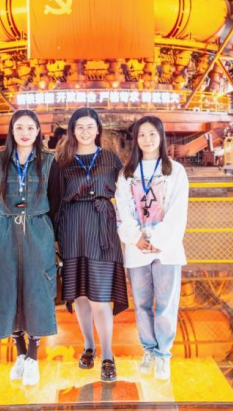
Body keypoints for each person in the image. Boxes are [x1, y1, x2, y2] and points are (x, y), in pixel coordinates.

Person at [49, 107, 127, 383]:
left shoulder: (110, 159)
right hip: (71, 228)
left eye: (89, 126)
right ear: (72, 131)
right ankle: (88, 347)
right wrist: (54, 235)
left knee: (100, 298)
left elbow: (127, 196)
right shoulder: (61, 161)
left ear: (97, 130)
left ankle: (108, 355)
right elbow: (54, 199)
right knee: (80, 295)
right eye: (79, 127)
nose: (85, 131)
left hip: (102, 228)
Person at [115, 116, 189, 380]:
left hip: (166, 249)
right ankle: (148, 350)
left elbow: (178, 210)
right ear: (136, 139)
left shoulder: (175, 171)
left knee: (167, 303)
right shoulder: (127, 174)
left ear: (161, 137)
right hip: (137, 248)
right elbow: (122, 209)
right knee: (142, 304)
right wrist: (135, 237)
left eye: (152, 134)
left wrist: (157, 240)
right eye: (142, 135)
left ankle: (163, 355)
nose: (147, 139)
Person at [0, 109, 58, 387]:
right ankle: (19, 354)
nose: (25, 133)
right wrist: (12, 214)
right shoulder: (0, 161)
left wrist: (44, 229)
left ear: (38, 131)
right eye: (19, 127)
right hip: (7, 231)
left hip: (37, 231)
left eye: (30, 127)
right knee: (8, 289)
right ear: (12, 131)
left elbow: (56, 199)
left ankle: (33, 357)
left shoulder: (48, 162)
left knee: (36, 290)